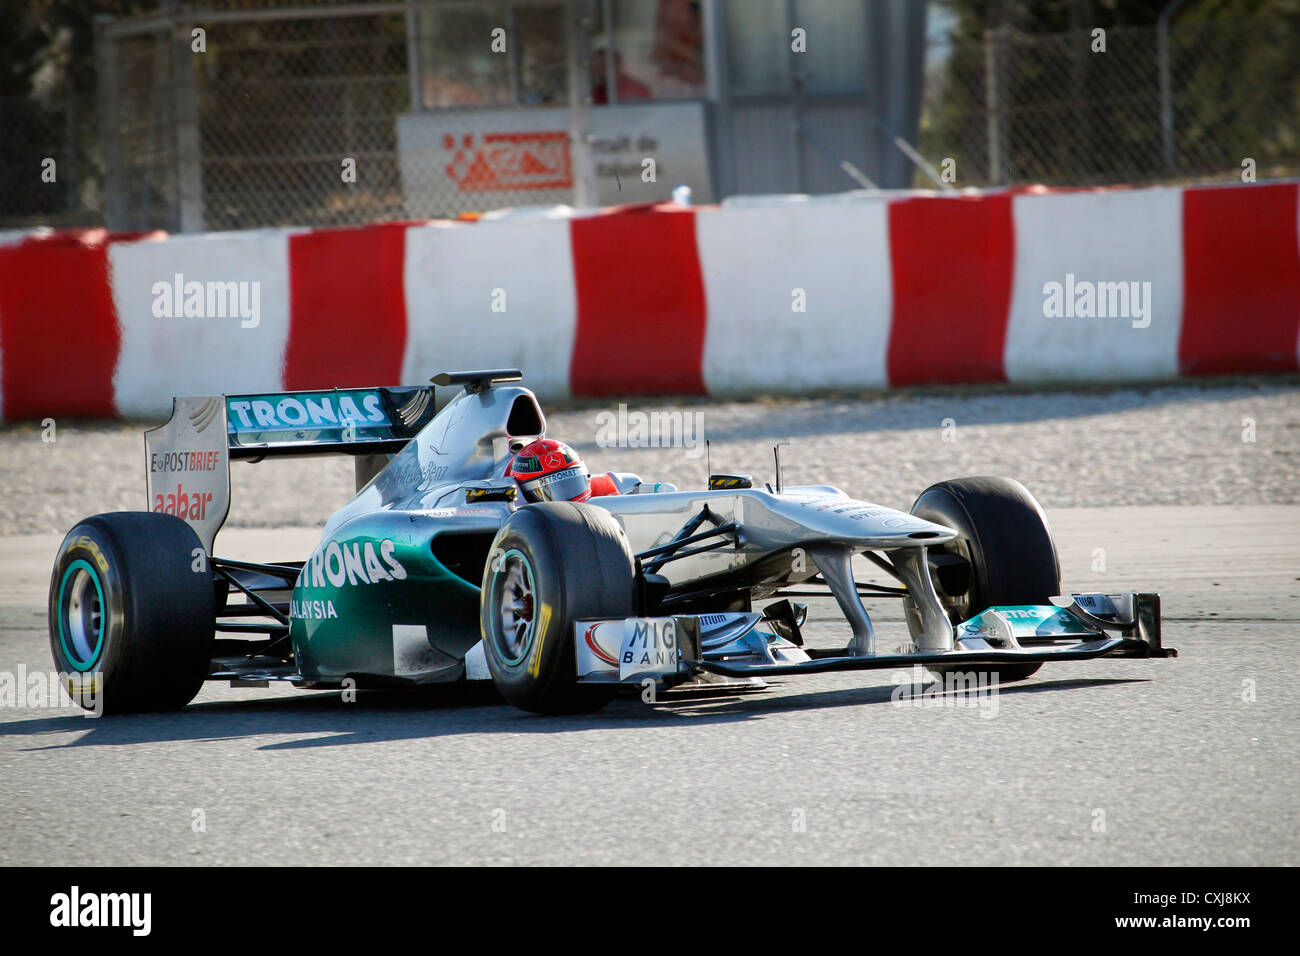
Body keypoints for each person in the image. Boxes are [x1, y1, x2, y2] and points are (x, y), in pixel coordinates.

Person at [507, 439, 622, 502]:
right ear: (524, 492)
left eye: (572, 485)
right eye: (550, 491)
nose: (571, 502)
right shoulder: (508, 504)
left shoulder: (608, 489)